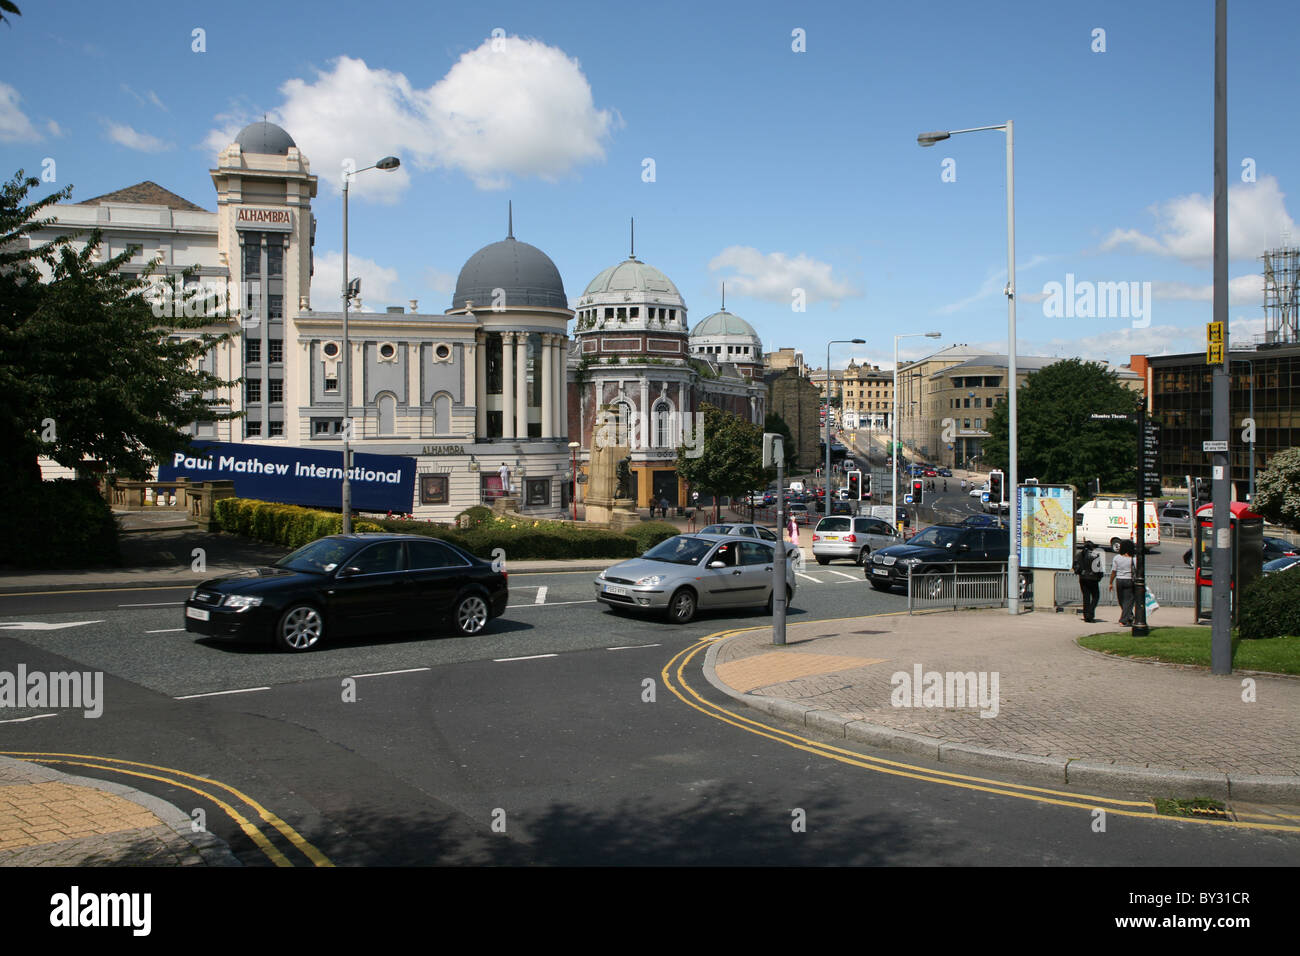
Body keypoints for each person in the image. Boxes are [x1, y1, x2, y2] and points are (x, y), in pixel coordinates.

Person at [1074, 541, 1104, 623]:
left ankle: (1086, 614)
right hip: (1093, 578)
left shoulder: (1079, 555)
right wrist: (1100, 576)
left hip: (1083, 578)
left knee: (1086, 597)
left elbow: (1075, 566)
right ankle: (1090, 613)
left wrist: (1081, 573)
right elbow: (1098, 568)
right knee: (1096, 596)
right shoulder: (1095, 555)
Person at [1109, 539, 1136, 626]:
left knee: (1122, 600)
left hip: (1119, 580)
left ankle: (1129, 617)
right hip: (1129, 580)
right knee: (1129, 601)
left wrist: (1110, 582)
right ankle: (1124, 620)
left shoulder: (1117, 558)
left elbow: (1113, 571)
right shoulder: (1134, 559)